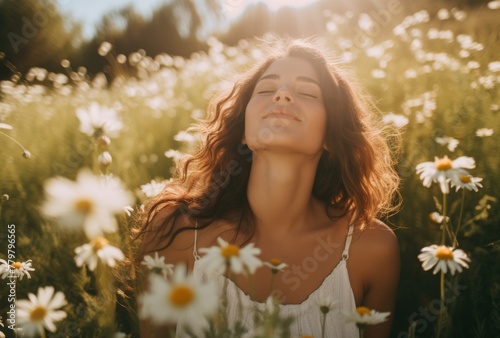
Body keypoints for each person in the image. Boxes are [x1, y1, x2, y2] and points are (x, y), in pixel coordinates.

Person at [135, 37, 401, 338]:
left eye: (306, 92)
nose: (283, 95)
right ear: (244, 132)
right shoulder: (177, 233)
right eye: (266, 89)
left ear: (330, 135)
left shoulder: (372, 249)